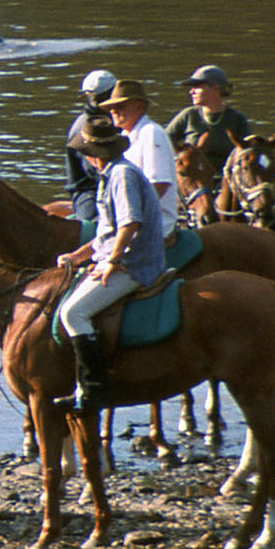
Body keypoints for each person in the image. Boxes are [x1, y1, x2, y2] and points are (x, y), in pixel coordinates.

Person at [56, 115, 166, 412]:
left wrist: (112, 261)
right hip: (117, 257)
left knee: (73, 312)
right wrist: (77, 256)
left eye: (84, 153)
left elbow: (129, 224)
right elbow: (106, 232)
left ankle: (95, 389)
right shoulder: (110, 175)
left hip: (135, 264)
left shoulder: (122, 176)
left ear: (94, 156)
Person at [100, 79, 179, 227]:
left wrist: (129, 220)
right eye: (111, 107)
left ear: (140, 106)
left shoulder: (151, 133)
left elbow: (159, 185)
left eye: (120, 106)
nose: (113, 111)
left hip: (155, 226)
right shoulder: (124, 137)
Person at [165, 64, 252, 174]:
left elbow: (247, 153)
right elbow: (164, 141)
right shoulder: (188, 115)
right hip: (192, 181)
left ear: (216, 88)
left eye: (197, 87)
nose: (191, 92)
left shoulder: (237, 119)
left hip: (226, 181)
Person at [64, 69, 118, 227]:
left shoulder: (108, 120)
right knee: (92, 227)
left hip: (108, 183)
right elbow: (93, 170)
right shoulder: (86, 127)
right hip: (88, 190)